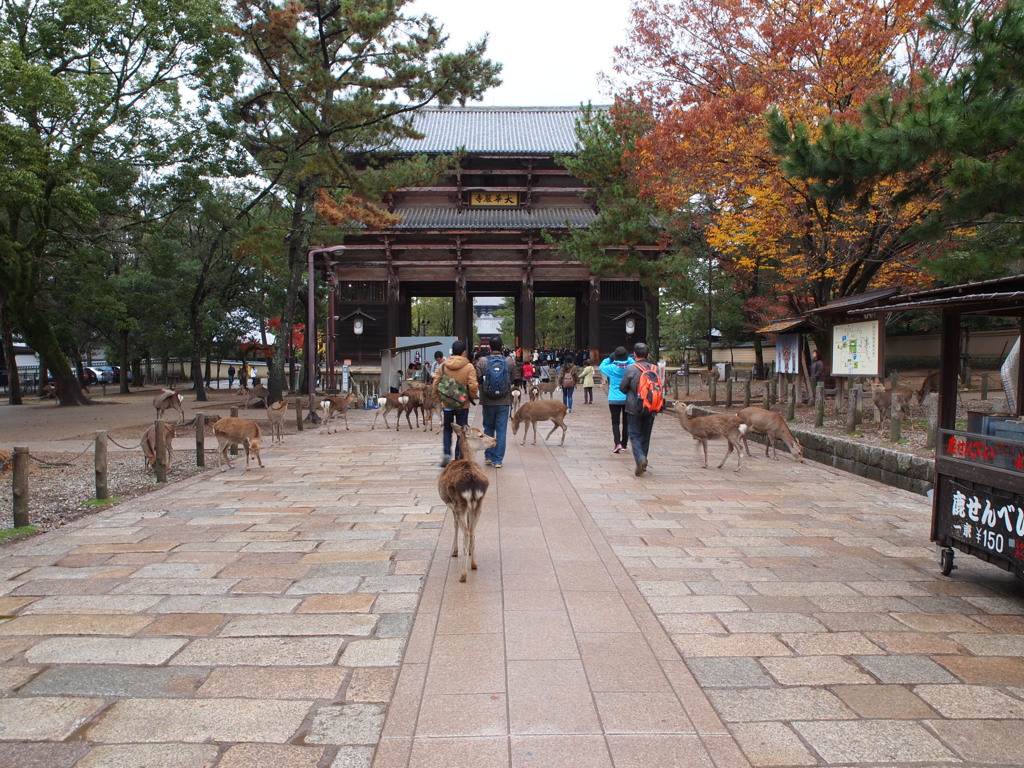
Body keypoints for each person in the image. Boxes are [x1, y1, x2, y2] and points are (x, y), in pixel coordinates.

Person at [432, 340, 478, 467]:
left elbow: (435, 384)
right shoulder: (469, 367)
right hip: (463, 404)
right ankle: (459, 456)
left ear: (452, 351)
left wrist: (441, 397)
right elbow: (473, 385)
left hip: (447, 404)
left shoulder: (443, 366)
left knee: (447, 429)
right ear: (464, 352)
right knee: (462, 431)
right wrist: (471, 397)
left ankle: (447, 454)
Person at [619, 342, 660, 476]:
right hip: (652, 407)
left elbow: (623, 388)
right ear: (648, 355)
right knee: (645, 436)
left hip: (634, 408)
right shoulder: (655, 369)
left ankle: (640, 458)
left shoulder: (632, 369)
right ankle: (644, 462)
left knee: (634, 435)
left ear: (635, 355)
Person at [478, 335, 512, 468]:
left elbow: (479, 379)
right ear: (502, 346)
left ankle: (488, 456)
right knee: (501, 430)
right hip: (503, 401)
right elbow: (511, 379)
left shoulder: (482, 361)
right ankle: (498, 460)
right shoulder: (509, 361)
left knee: (488, 428)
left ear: (489, 347)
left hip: (487, 400)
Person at [600, 346, 633, 454]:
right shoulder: (630, 367)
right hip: (627, 397)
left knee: (615, 422)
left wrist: (610, 358)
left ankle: (617, 443)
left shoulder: (611, 368)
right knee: (626, 422)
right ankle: (624, 444)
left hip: (614, 398)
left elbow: (601, 366)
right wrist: (628, 358)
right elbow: (634, 362)